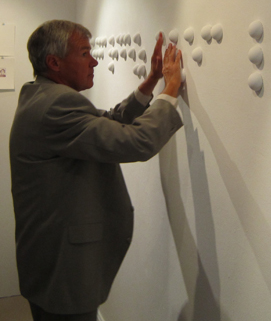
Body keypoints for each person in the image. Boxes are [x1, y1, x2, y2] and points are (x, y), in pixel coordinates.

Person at [9, 20, 184, 321]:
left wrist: (152, 79)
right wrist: (170, 89)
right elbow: (136, 143)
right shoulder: (56, 105)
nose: (94, 60)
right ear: (54, 62)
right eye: (84, 53)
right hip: (63, 268)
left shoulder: (40, 94)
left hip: (47, 256)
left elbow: (109, 121)